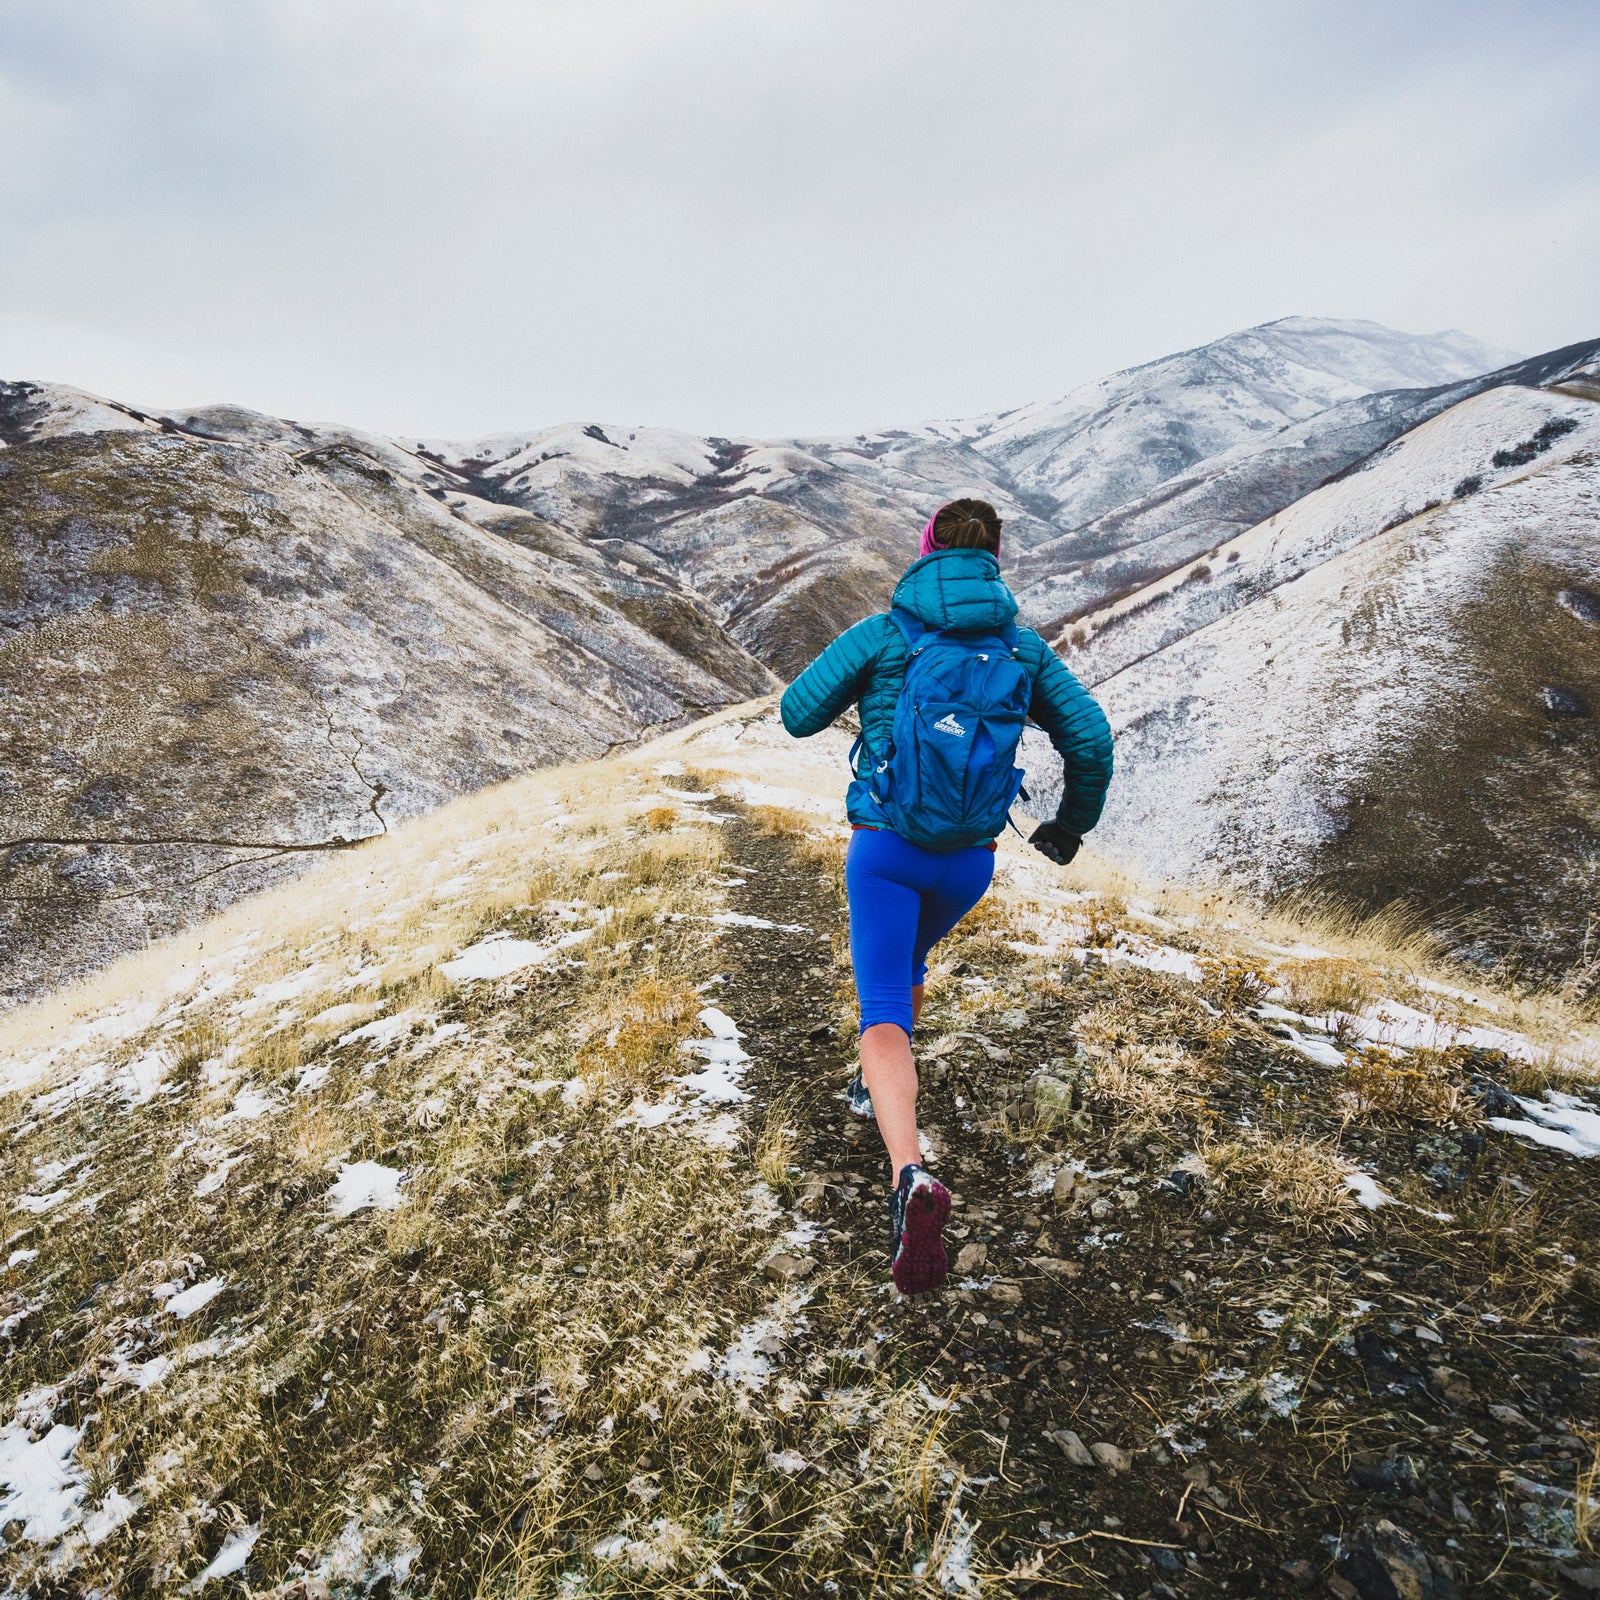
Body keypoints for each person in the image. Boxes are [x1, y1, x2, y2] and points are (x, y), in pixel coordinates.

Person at [779, 499, 1114, 1295]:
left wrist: (870, 701)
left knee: (883, 1005)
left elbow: (797, 714)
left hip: (888, 851)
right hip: (969, 859)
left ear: (926, 550)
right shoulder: (1023, 649)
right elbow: (1092, 741)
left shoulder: (888, 633)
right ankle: (872, 1086)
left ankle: (910, 1178)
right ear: (996, 557)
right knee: (914, 955)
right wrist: (1065, 831)